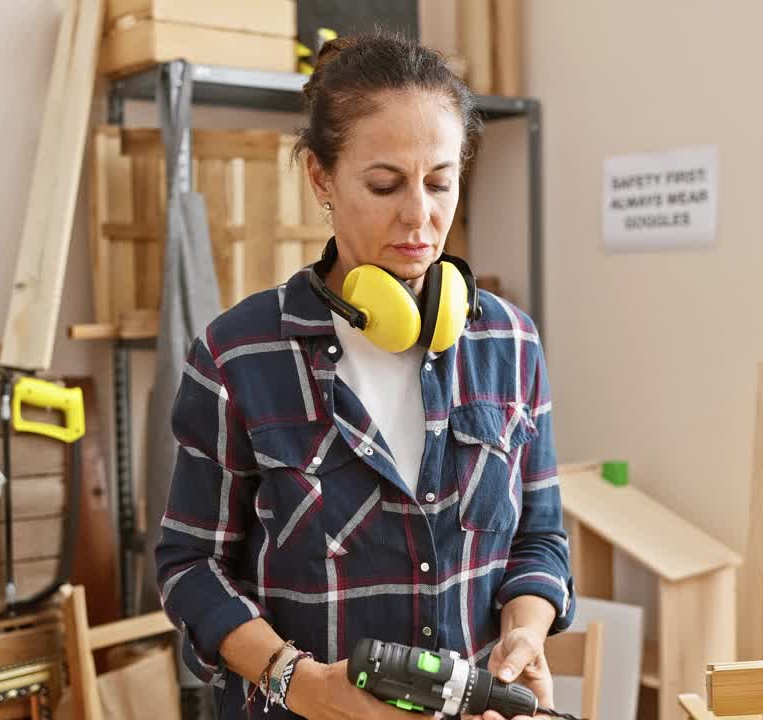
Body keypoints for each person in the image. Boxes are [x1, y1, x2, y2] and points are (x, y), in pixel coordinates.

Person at [156, 31, 575, 720]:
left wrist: (525, 632)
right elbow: (189, 567)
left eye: (440, 182)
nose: (420, 216)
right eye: (384, 184)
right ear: (321, 177)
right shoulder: (237, 356)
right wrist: (302, 682)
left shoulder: (510, 340)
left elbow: (540, 536)